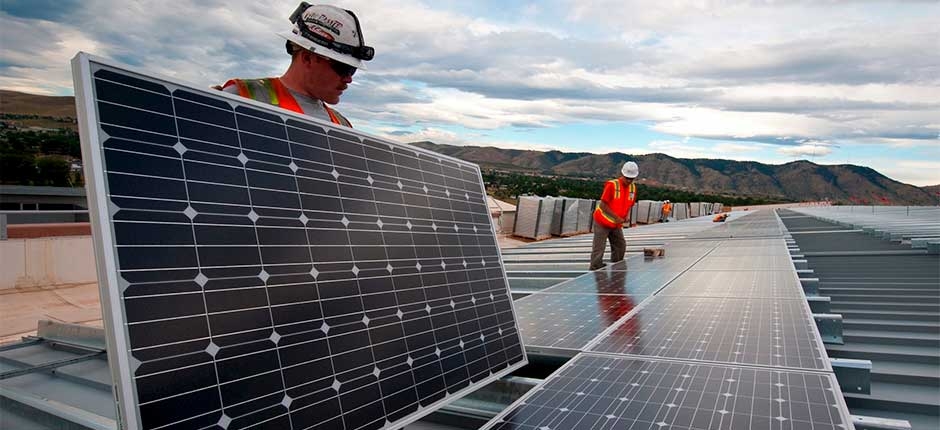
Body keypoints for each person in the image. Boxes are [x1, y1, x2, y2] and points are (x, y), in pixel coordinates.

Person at [219, 3, 374, 127]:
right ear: (307, 58)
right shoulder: (241, 97)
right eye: (343, 68)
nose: (348, 79)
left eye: (352, 70)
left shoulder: (342, 126)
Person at [590, 161, 639, 271]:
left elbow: (629, 204)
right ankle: (595, 269)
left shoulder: (633, 188)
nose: (629, 181)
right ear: (622, 174)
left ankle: (616, 268)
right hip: (602, 221)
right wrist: (616, 217)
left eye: (631, 179)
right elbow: (603, 205)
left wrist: (626, 216)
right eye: (627, 178)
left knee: (620, 246)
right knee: (599, 248)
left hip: (616, 224)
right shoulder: (612, 185)